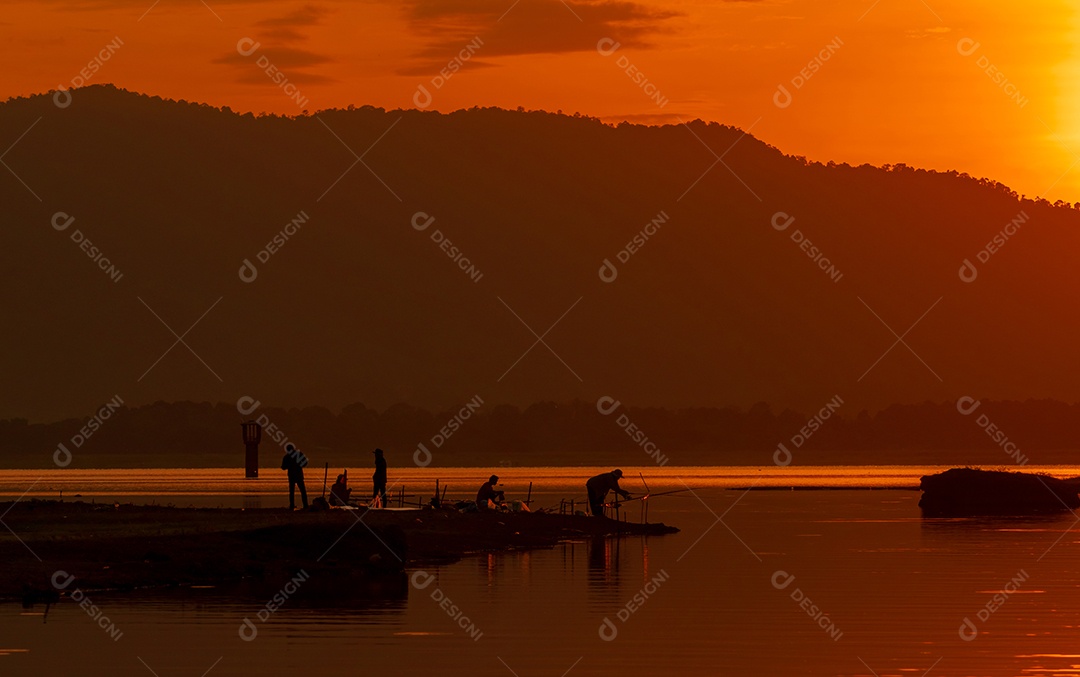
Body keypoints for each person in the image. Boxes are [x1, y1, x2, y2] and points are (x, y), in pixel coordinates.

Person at [281, 444, 308, 510]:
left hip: (291, 475)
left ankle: (292, 505)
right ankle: (305, 505)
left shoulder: (287, 457)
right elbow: (305, 462)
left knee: (292, 491)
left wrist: (287, 466)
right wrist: (300, 465)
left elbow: (283, 467)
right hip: (299, 475)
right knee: (303, 491)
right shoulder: (298, 454)